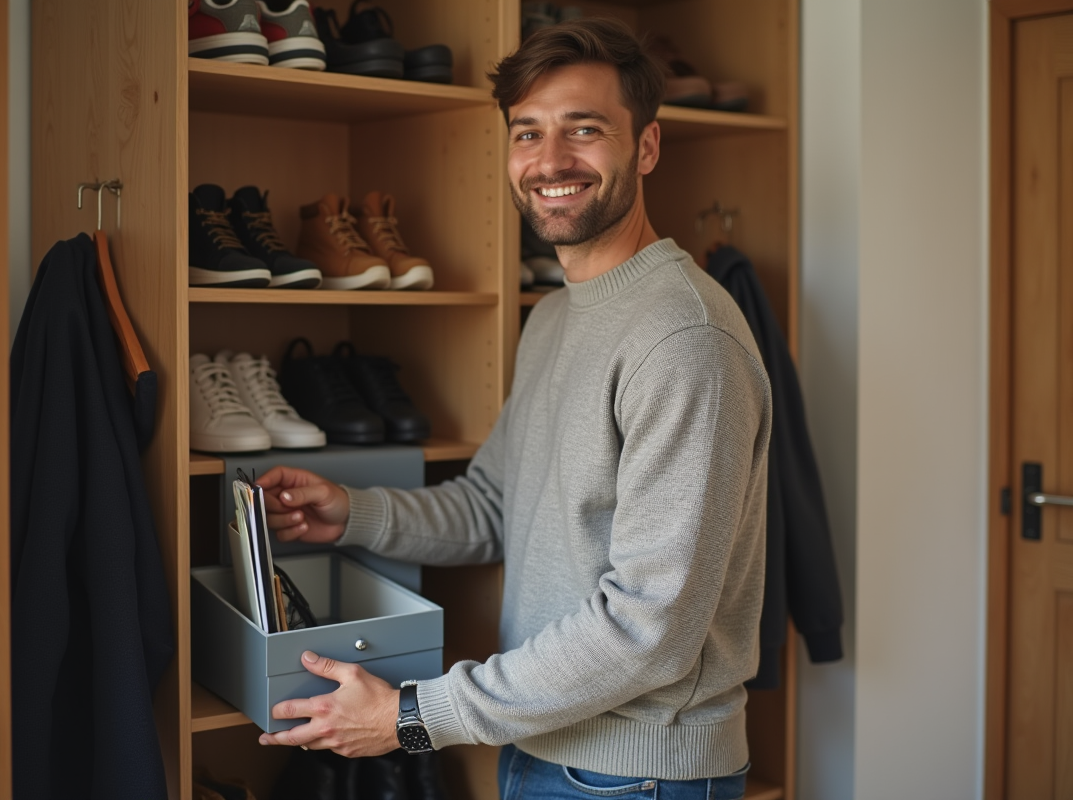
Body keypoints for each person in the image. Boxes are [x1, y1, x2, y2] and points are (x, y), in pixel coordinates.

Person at [255, 17, 771, 799]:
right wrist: (352, 514)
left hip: (636, 777)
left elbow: (649, 630)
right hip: (545, 747)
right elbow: (498, 504)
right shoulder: (556, 315)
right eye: (527, 134)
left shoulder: (684, 338)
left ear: (648, 147)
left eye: (584, 129)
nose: (550, 161)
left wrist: (414, 717)